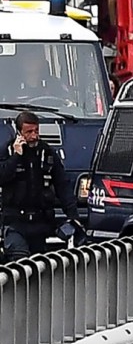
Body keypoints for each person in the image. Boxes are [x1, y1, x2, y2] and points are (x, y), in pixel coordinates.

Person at [0, 110, 82, 257]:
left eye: (36, 131)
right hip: (15, 222)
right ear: (19, 132)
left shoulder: (46, 153)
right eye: (29, 132)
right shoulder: (6, 152)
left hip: (40, 222)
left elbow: (62, 184)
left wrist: (73, 216)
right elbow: (2, 176)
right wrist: (16, 156)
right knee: (20, 260)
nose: (34, 136)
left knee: (39, 265)